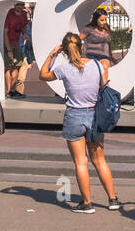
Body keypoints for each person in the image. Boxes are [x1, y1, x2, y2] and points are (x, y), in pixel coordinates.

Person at [39, 31, 120, 213]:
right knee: (99, 161)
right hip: (94, 116)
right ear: (82, 47)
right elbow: (103, 87)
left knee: (80, 162)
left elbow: (42, 75)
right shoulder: (97, 66)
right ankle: (113, 199)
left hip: (74, 116)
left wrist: (52, 54)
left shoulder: (63, 69)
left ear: (65, 51)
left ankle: (87, 203)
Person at [3, 2, 30, 98]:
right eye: (18, 5)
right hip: (8, 44)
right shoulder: (10, 13)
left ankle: (12, 90)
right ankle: (9, 90)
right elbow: (5, 32)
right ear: (14, 5)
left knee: (17, 66)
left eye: (22, 5)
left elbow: (23, 27)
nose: (20, 7)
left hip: (17, 43)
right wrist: (9, 50)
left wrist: (25, 33)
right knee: (8, 67)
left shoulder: (23, 14)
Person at [81, 7, 114, 74]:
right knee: (96, 71)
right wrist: (81, 46)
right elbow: (77, 40)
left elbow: (108, 42)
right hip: (91, 56)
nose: (104, 22)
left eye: (105, 19)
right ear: (96, 19)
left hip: (104, 56)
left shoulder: (106, 27)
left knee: (104, 67)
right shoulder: (88, 29)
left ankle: (105, 85)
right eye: (102, 20)